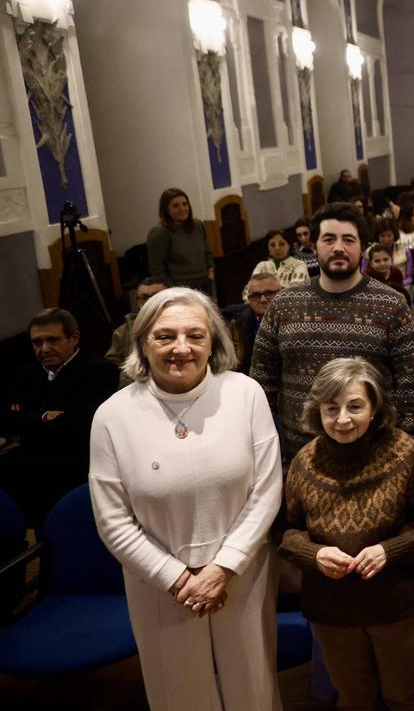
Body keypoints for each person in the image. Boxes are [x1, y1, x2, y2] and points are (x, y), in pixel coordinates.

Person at [89, 287, 282, 710]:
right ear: (142, 342)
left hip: (242, 573)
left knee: (253, 686)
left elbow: (268, 490)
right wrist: (178, 578)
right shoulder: (112, 416)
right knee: (178, 693)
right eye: (165, 336)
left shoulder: (246, 394)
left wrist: (222, 568)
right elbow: (112, 520)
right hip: (158, 584)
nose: (181, 348)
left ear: (214, 340)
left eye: (195, 335)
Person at [281, 357, 414, 711]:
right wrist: (314, 554)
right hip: (331, 609)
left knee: (405, 697)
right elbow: (285, 531)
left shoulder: (404, 452)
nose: (342, 419)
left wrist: (390, 550)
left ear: (374, 406)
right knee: (353, 699)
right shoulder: (304, 461)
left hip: (397, 603)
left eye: (354, 406)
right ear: (318, 411)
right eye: (332, 408)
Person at [251, 202, 414, 463]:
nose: (339, 248)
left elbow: (411, 386)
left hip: (376, 458)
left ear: (363, 247)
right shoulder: (284, 305)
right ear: (313, 245)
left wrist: (404, 451)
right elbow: (263, 382)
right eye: (329, 239)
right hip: (300, 459)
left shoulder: (392, 305)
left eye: (349, 240)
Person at [1, 308, 119, 528]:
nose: (44, 349)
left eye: (53, 340)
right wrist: (44, 417)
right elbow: (4, 421)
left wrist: (25, 418)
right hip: (34, 464)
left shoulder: (100, 371)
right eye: (37, 342)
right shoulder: (25, 373)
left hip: (79, 467)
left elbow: (79, 425)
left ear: (74, 338)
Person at [146, 188, 214, 294]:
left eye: (185, 204)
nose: (182, 209)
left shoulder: (198, 225)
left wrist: (210, 269)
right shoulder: (159, 232)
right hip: (180, 288)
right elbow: (157, 269)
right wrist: (171, 288)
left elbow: (207, 251)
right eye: (175, 206)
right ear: (166, 209)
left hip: (205, 282)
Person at [108, 278, 169, 381]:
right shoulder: (122, 332)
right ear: (137, 301)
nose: (150, 301)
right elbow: (111, 367)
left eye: (156, 296)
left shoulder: (186, 325)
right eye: (144, 297)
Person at [228, 272, 281, 373]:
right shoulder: (238, 324)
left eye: (269, 293)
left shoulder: (297, 322)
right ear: (249, 299)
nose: (263, 300)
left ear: (281, 293)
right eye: (256, 295)